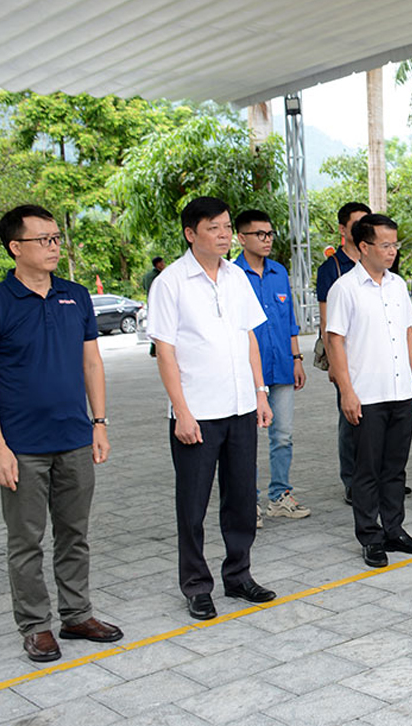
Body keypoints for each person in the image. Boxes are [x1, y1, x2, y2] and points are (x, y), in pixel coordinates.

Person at [0, 205, 122, 663]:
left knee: (74, 533)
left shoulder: (75, 296)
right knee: (25, 541)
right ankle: (36, 625)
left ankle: (77, 614)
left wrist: (99, 422)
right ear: (16, 247)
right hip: (22, 447)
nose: (54, 246)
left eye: (57, 237)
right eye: (43, 239)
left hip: (75, 438)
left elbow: (91, 363)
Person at [148, 196, 276, 621]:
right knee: (193, 504)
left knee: (240, 499)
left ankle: (238, 575)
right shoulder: (171, 283)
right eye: (215, 228)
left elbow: (250, 338)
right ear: (191, 233)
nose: (224, 235)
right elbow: (165, 351)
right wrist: (181, 411)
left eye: (226, 227)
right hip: (197, 413)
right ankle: (196, 585)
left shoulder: (236, 277)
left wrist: (260, 393)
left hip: (240, 407)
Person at [326, 214, 412, 567]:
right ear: (363, 247)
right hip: (366, 394)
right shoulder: (344, 288)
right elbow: (334, 341)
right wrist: (346, 391)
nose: (392, 251)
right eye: (385, 245)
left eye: (395, 244)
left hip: (400, 390)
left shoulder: (397, 285)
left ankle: (395, 530)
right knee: (366, 471)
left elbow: (407, 332)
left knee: (395, 469)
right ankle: (370, 537)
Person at [234, 210, 310, 527]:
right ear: (241, 238)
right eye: (259, 234)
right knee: (244, 441)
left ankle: (279, 496)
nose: (266, 240)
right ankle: (246, 502)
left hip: (280, 369)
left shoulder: (279, 272)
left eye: (269, 234)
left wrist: (296, 359)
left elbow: (290, 321)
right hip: (246, 374)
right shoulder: (231, 275)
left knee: (283, 436)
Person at [317, 201, 371, 505]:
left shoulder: (376, 262)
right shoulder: (331, 268)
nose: (364, 226)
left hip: (374, 354)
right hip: (347, 356)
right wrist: (336, 367)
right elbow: (327, 323)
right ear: (342, 229)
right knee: (351, 419)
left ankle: (377, 477)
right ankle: (352, 481)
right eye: (357, 223)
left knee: (380, 419)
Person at [143, 257, 165, 357]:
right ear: (158, 264)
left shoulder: (147, 276)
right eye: (162, 263)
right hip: (159, 302)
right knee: (160, 325)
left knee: (154, 324)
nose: (163, 265)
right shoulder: (159, 276)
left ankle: (153, 348)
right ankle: (156, 348)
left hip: (150, 302)